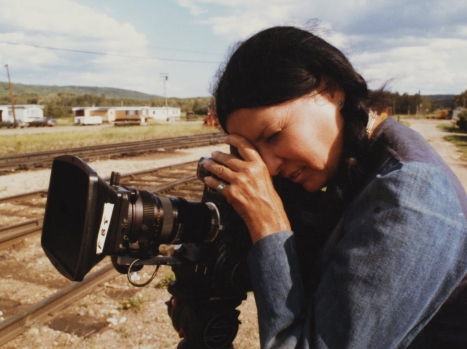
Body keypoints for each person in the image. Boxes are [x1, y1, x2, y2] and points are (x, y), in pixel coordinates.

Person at [201, 26, 467, 348]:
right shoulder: (368, 164)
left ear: (331, 91)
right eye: (254, 152)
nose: (269, 167)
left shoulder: (409, 196)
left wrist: (268, 224)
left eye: (273, 136)